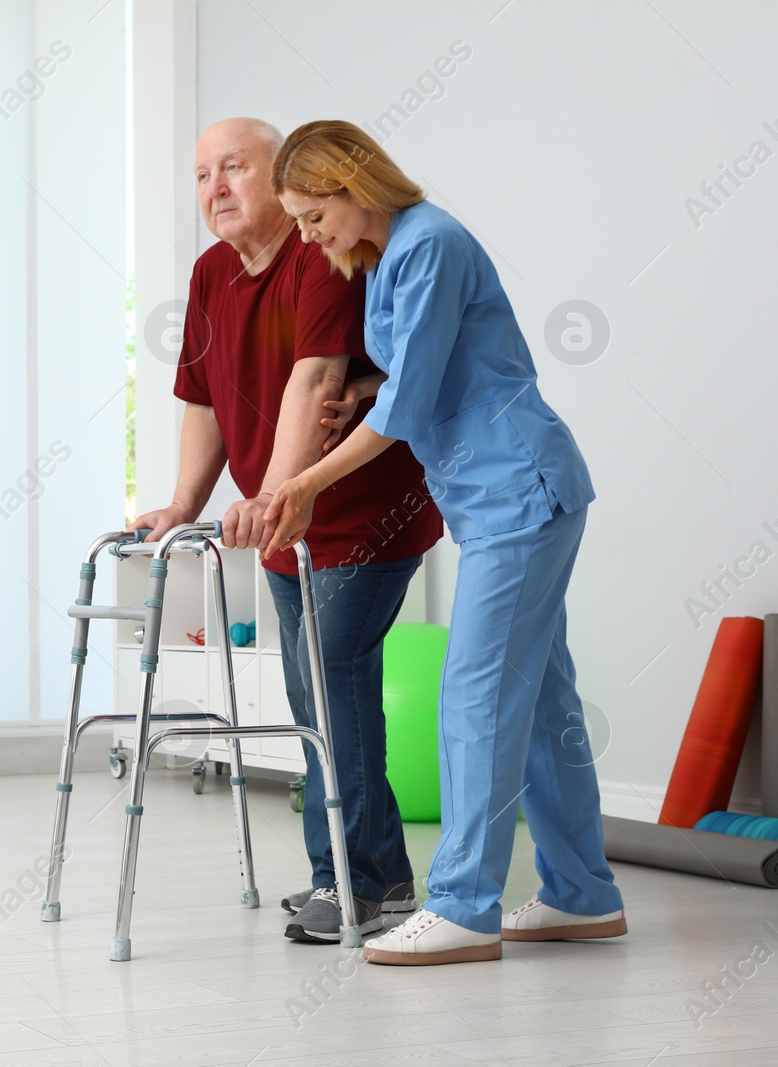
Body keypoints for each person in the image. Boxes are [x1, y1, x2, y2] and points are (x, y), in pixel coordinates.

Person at [264, 120, 626, 965]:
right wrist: (361, 385)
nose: (309, 239)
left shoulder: (430, 244)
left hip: (520, 490)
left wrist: (304, 483)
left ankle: (464, 904)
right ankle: (582, 891)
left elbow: (415, 405)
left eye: (314, 217)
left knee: (475, 694)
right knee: (539, 704)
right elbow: (422, 371)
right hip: (498, 498)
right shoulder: (391, 255)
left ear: (355, 186)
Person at [133, 117, 443, 944]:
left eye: (234, 167)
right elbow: (201, 400)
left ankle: (359, 884)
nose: (216, 188)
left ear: (282, 177)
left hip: (359, 515)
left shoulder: (323, 254)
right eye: (202, 175)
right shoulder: (210, 275)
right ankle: (358, 877)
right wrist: (181, 503)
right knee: (316, 691)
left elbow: (317, 377)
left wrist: (274, 496)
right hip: (285, 525)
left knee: (330, 683)